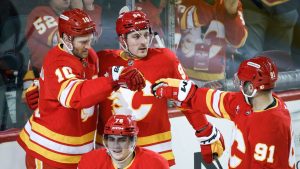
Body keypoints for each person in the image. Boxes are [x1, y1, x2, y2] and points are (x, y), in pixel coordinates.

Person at [25, 8, 225, 166]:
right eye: (136, 37)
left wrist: (205, 131)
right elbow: (79, 83)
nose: (144, 42)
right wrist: (42, 89)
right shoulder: (103, 59)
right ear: (122, 40)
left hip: (154, 151)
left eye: (146, 35)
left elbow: (187, 98)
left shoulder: (165, 59)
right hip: (111, 153)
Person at [17, 8, 145, 169]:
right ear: (66, 39)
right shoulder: (58, 61)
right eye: (82, 42)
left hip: (77, 153)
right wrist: (113, 80)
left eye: (89, 40)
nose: (88, 46)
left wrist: (122, 74)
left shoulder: (89, 55)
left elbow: (93, 84)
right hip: (48, 153)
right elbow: (75, 95)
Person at [151, 56, 296, 168]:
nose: (239, 86)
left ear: (250, 88)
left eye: (241, 83)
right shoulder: (252, 103)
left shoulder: (271, 128)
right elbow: (216, 101)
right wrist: (182, 91)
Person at [175, 0, 248, 81]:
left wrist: (232, 13)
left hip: (216, 80)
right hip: (183, 75)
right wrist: (212, 6)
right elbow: (177, 24)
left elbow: (238, 41)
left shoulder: (230, 3)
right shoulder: (183, 2)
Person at [78, 114, 170, 169]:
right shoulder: (90, 162)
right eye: (111, 139)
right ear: (105, 141)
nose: (115, 145)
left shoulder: (155, 164)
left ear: (133, 141)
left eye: (122, 140)